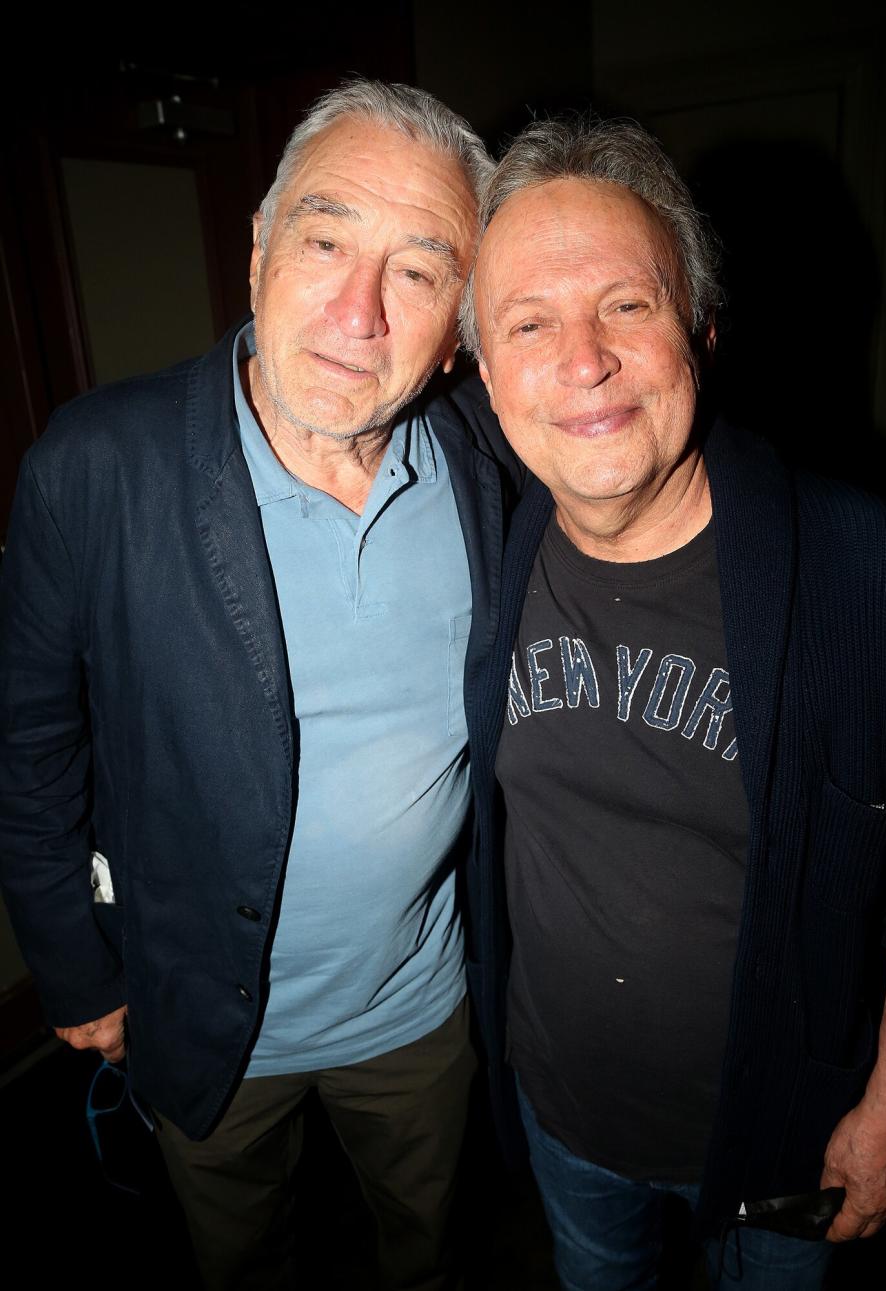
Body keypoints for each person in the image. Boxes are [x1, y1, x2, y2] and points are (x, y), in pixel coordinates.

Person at [0, 79, 516, 1291]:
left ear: (460, 326)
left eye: (419, 269)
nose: (358, 312)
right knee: (241, 1261)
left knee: (427, 1252)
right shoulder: (94, 465)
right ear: (258, 253)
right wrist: (72, 965)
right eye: (327, 239)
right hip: (204, 1022)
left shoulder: (492, 464)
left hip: (422, 1013)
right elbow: (32, 746)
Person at [459, 117, 886, 1290]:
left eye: (627, 305)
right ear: (486, 373)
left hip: (786, 1138)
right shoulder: (485, 540)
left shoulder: (868, 573)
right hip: (563, 1118)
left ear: (703, 328)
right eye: (529, 323)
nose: (582, 360)